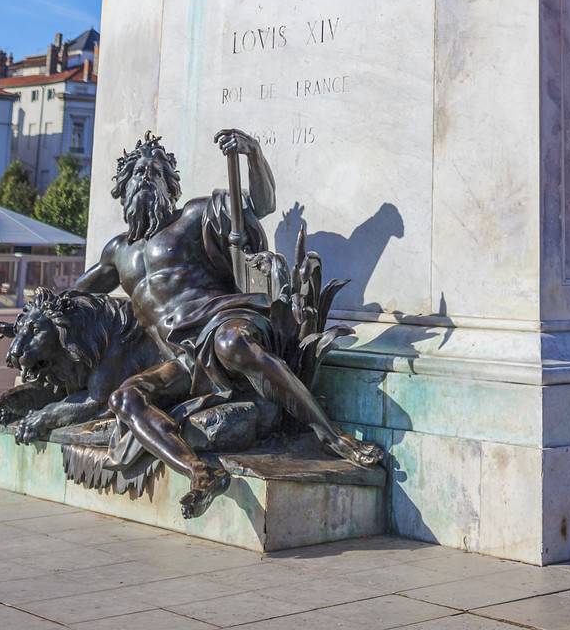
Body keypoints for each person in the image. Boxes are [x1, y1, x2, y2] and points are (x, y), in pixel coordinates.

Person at [73, 128, 382, 519]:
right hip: (181, 355)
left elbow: (260, 203)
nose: (145, 179)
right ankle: (200, 473)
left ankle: (332, 436)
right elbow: (79, 295)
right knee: (125, 397)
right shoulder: (118, 252)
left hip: (224, 319)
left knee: (232, 344)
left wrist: (252, 154)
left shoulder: (194, 216)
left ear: (171, 184)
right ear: (122, 188)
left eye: (155, 173)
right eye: (137, 174)